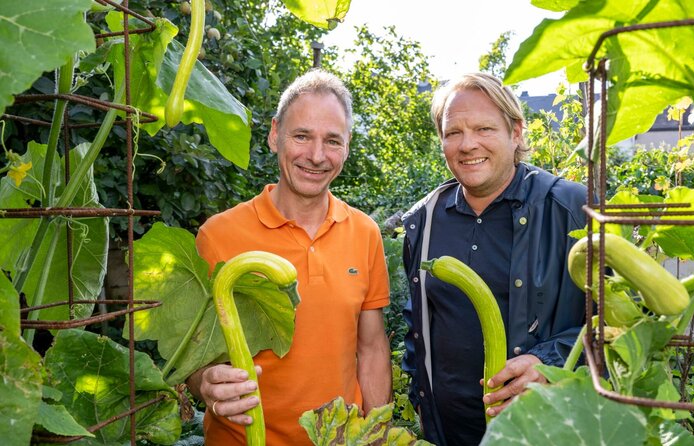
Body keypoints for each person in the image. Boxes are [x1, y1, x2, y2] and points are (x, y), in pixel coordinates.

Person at [187, 69, 392, 445]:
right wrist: (206, 386)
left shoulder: (365, 233)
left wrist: (376, 434)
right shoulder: (218, 236)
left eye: (333, 141)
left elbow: (373, 347)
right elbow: (196, 359)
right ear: (274, 135)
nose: (316, 156)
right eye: (302, 136)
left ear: (347, 146)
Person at [401, 72, 588, 445]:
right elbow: (417, 319)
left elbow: (616, 325)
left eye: (484, 129)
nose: (468, 144)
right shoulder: (424, 219)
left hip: (544, 431)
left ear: (515, 132)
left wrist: (548, 364)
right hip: (447, 433)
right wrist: (420, 399)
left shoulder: (571, 208)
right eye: (453, 132)